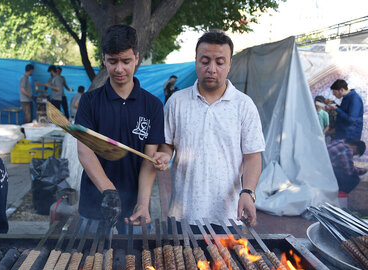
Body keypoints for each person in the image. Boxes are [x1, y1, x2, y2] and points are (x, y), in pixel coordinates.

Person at [153, 31, 265, 229]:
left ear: (229, 64)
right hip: (182, 214)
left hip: (229, 216)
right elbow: (167, 145)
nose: (212, 69)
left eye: (220, 62)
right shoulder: (176, 102)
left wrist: (248, 191)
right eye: (205, 61)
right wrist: (163, 155)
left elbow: (253, 156)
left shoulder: (244, 105)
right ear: (196, 61)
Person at [75, 24, 165, 233]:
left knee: (137, 264)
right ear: (104, 60)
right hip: (95, 204)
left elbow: (148, 159)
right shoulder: (89, 101)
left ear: (136, 58)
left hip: (135, 207)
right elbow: (84, 151)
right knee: (88, 263)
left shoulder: (152, 106)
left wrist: (143, 203)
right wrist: (109, 192)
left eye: (126, 61)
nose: (119, 69)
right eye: (112, 61)